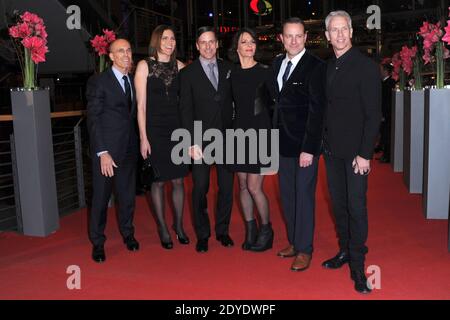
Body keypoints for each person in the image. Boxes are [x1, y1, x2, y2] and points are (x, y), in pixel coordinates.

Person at [322, 11, 381, 294]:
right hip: (332, 152)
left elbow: (373, 115)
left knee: (356, 208)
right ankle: (345, 250)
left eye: (344, 29)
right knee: (340, 206)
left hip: (356, 153)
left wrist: (365, 153)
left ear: (351, 32)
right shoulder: (328, 67)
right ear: (327, 36)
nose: (340, 34)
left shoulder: (365, 66)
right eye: (335, 30)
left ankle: (358, 266)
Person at [271, 18, 326, 271]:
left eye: (298, 36)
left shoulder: (316, 66)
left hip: (304, 146)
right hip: (281, 144)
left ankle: (305, 249)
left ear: (305, 38)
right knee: (287, 195)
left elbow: (318, 111)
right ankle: (294, 241)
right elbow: (274, 103)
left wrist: (310, 148)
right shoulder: (276, 64)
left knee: (303, 196)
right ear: (281, 38)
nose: (293, 40)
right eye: (288, 36)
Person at [179, 26, 235, 253]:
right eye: (204, 42)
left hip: (226, 139)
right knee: (200, 187)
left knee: (226, 188)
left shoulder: (229, 69)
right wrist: (190, 142)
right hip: (199, 142)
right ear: (197, 46)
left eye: (212, 41)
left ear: (217, 44)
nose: (208, 46)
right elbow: (185, 111)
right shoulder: (188, 74)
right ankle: (203, 234)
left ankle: (222, 230)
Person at [135, 25, 190, 249]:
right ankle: (163, 228)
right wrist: (143, 138)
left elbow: (188, 103)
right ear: (156, 40)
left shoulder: (181, 67)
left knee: (178, 180)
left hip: (177, 131)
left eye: (173, 38)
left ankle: (178, 225)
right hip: (155, 131)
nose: (170, 42)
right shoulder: (144, 66)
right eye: (165, 38)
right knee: (157, 182)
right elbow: (140, 106)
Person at [86, 38, 140, 263]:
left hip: (128, 149)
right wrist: (102, 152)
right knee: (101, 199)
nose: (126, 55)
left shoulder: (132, 79)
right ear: (111, 56)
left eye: (128, 50)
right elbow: (94, 119)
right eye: (121, 51)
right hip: (107, 153)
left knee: (127, 197)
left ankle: (128, 234)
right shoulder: (99, 81)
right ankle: (98, 242)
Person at [227, 28, 275, 252]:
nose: (249, 45)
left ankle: (267, 230)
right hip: (238, 134)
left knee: (255, 187)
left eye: (252, 42)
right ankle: (250, 229)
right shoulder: (231, 74)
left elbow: (276, 105)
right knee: (243, 185)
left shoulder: (266, 72)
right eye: (244, 42)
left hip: (260, 134)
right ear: (236, 47)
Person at [378, 62, 395, 163]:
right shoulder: (384, 82)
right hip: (384, 113)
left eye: (380, 69)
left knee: (387, 134)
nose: (379, 72)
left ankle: (387, 156)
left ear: (385, 71)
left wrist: (384, 114)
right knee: (384, 134)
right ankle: (385, 154)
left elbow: (387, 101)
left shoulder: (390, 83)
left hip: (387, 114)